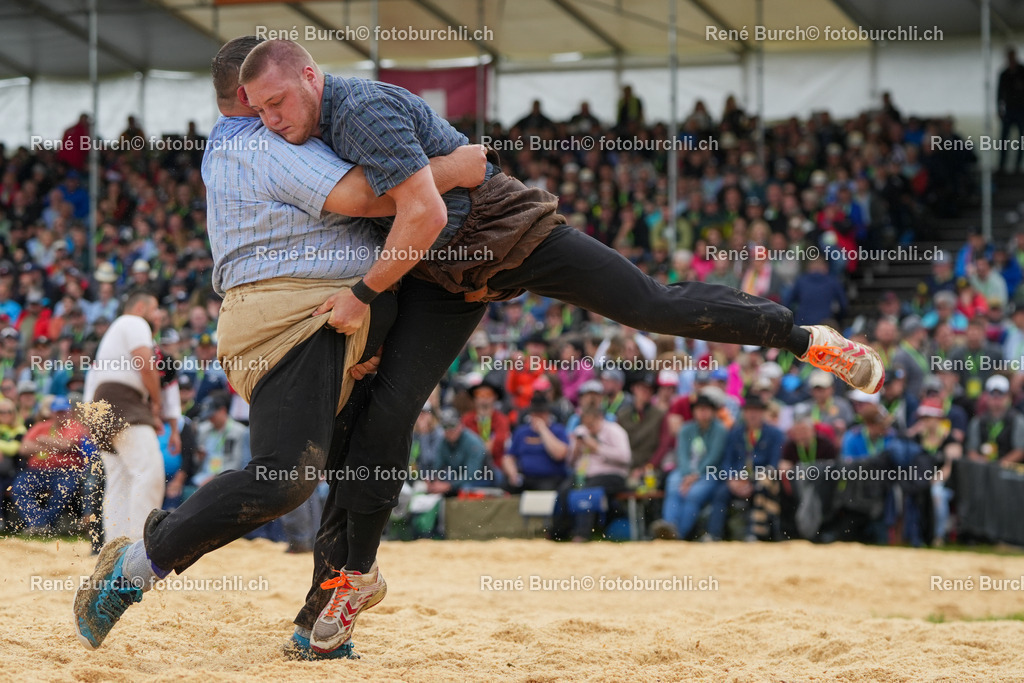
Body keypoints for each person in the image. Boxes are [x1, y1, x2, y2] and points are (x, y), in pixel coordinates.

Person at [237, 38, 883, 657]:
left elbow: (426, 210)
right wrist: (439, 187)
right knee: (384, 410)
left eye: (277, 102)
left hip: (505, 229)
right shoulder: (302, 139)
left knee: (648, 304)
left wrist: (366, 294)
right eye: (259, 110)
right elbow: (419, 194)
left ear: (311, 77)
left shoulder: (360, 111)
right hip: (439, 276)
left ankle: (804, 338)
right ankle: (355, 577)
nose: (271, 119)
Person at [73, 35, 485, 655]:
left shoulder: (262, 138)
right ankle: (136, 566)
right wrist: (458, 165)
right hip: (297, 318)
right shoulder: (258, 142)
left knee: (364, 459)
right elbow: (368, 196)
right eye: (272, 99)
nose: (286, 111)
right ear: (250, 97)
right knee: (284, 476)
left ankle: (322, 620)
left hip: (333, 315)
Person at [82, 290, 169, 542]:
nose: (159, 315)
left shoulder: (116, 331)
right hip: (122, 401)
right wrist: (156, 403)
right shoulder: (133, 322)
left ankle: (115, 548)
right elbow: (145, 362)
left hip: (103, 404)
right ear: (140, 307)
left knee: (120, 479)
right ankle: (140, 545)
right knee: (148, 471)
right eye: (155, 309)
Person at [650, 393, 727, 540]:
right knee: (673, 486)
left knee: (693, 494)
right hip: (685, 472)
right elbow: (682, 455)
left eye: (706, 409)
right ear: (694, 411)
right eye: (699, 409)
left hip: (709, 473)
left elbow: (714, 457)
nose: (703, 412)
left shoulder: (720, 430)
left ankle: (679, 533)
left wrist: (694, 476)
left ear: (713, 411)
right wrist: (687, 474)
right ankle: (668, 526)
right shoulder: (686, 429)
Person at [11, 396, 89, 534]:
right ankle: (39, 524)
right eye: (58, 412)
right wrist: (52, 446)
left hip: (65, 471)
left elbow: (66, 445)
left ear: (69, 412)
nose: (61, 415)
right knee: (19, 487)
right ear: (52, 413)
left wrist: (43, 440)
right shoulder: (41, 426)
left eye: (64, 411)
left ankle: (43, 524)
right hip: (36, 471)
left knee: (65, 489)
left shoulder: (75, 426)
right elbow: (23, 449)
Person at [503, 394, 570, 491]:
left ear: (548, 414)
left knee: (545, 489)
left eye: (542, 413)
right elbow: (509, 457)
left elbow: (560, 454)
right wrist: (513, 473)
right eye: (535, 414)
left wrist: (543, 430)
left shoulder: (558, 430)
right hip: (526, 477)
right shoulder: (521, 432)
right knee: (506, 487)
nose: (538, 417)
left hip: (550, 478)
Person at [998, 47, 1024, 174]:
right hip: (1009, 110)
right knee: (1004, 139)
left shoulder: (1022, 71)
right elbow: (999, 93)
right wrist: (999, 109)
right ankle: (1002, 165)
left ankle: (1017, 165)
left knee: (1021, 139)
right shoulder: (1004, 74)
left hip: (1021, 110)